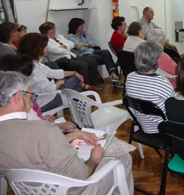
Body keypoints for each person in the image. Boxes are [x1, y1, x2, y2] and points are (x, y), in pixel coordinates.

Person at [0, 71, 134, 195]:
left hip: (32, 190)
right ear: (18, 97)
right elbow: (82, 175)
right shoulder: (43, 130)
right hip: (73, 190)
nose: (33, 101)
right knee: (123, 158)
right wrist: (95, 158)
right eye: (31, 96)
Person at [17, 33, 84, 112]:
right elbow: (51, 89)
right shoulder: (33, 69)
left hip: (44, 97)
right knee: (75, 82)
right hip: (44, 101)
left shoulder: (31, 63)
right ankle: (80, 110)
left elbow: (52, 72)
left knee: (77, 88)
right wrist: (60, 82)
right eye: (45, 46)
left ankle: (77, 107)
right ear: (38, 48)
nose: (47, 48)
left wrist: (74, 73)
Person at [125, 41, 174, 134]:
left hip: (142, 125)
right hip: (162, 128)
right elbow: (175, 104)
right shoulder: (161, 82)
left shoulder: (130, 76)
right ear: (156, 61)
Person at [39, 22, 101, 90]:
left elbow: (72, 44)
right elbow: (56, 51)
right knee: (83, 65)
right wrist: (66, 48)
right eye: (52, 29)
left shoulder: (59, 37)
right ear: (45, 31)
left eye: (54, 28)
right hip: (60, 60)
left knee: (92, 61)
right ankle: (86, 86)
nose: (54, 30)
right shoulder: (45, 41)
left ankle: (94, 84)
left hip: (71, 56)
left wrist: (65, 47)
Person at [67, 17, 122, 86]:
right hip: (83, 55)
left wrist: (84, 44)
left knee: (105, 52)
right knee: (103, 58)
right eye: (81, 25)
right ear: (76, 26)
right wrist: (87, 44)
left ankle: (112, 74)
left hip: (91, 51)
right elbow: (79, 48)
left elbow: (92, 43)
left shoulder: (84, 34)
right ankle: (114, 76)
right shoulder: (71, 37)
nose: (83, 27)